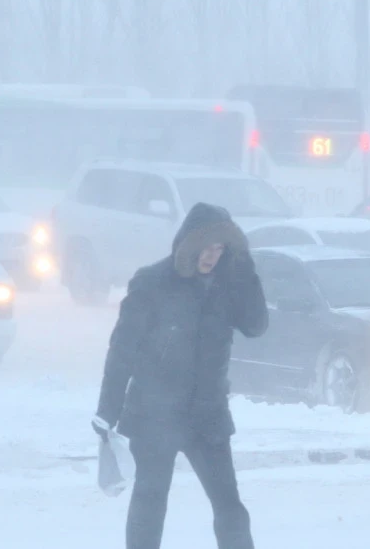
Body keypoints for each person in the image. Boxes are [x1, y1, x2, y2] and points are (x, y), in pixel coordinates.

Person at [92, 202, 268, 549]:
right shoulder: (153, 283)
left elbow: (256, 326)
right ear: (188, 243)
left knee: (229, 506)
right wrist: (107, 410)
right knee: (150, 503)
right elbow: (122, 350)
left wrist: (245, 269)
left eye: (220, 248)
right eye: (206, 246)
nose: (211, 256)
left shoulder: (227, 285)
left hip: (208, 414)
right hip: (154, 415)